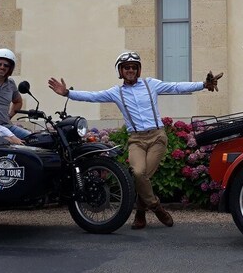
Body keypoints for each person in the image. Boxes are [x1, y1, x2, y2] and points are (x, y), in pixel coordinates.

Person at [48, 51, 223, 230]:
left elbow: (175, 86)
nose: (130, 70)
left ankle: (140, 213)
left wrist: (203, 84)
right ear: (121, 71)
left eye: (133, 67)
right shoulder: (116, 92)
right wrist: (67, 93)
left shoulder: (151, 84)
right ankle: (156, 207)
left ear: (138, 70)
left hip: (157, 137)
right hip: (136, 140)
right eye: (126, 68)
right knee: (139, 173)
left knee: (143, 176)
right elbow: (93, 96)